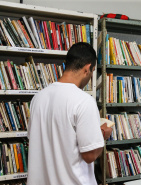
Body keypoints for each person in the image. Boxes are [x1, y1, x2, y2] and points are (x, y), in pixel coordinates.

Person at [27, 42, 112, 185]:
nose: (90, 76)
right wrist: (102, 135)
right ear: (87, 68)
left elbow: (38, 139)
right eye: (92, 72)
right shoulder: (84, 101)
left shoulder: (38, 98)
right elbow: (89, 155)